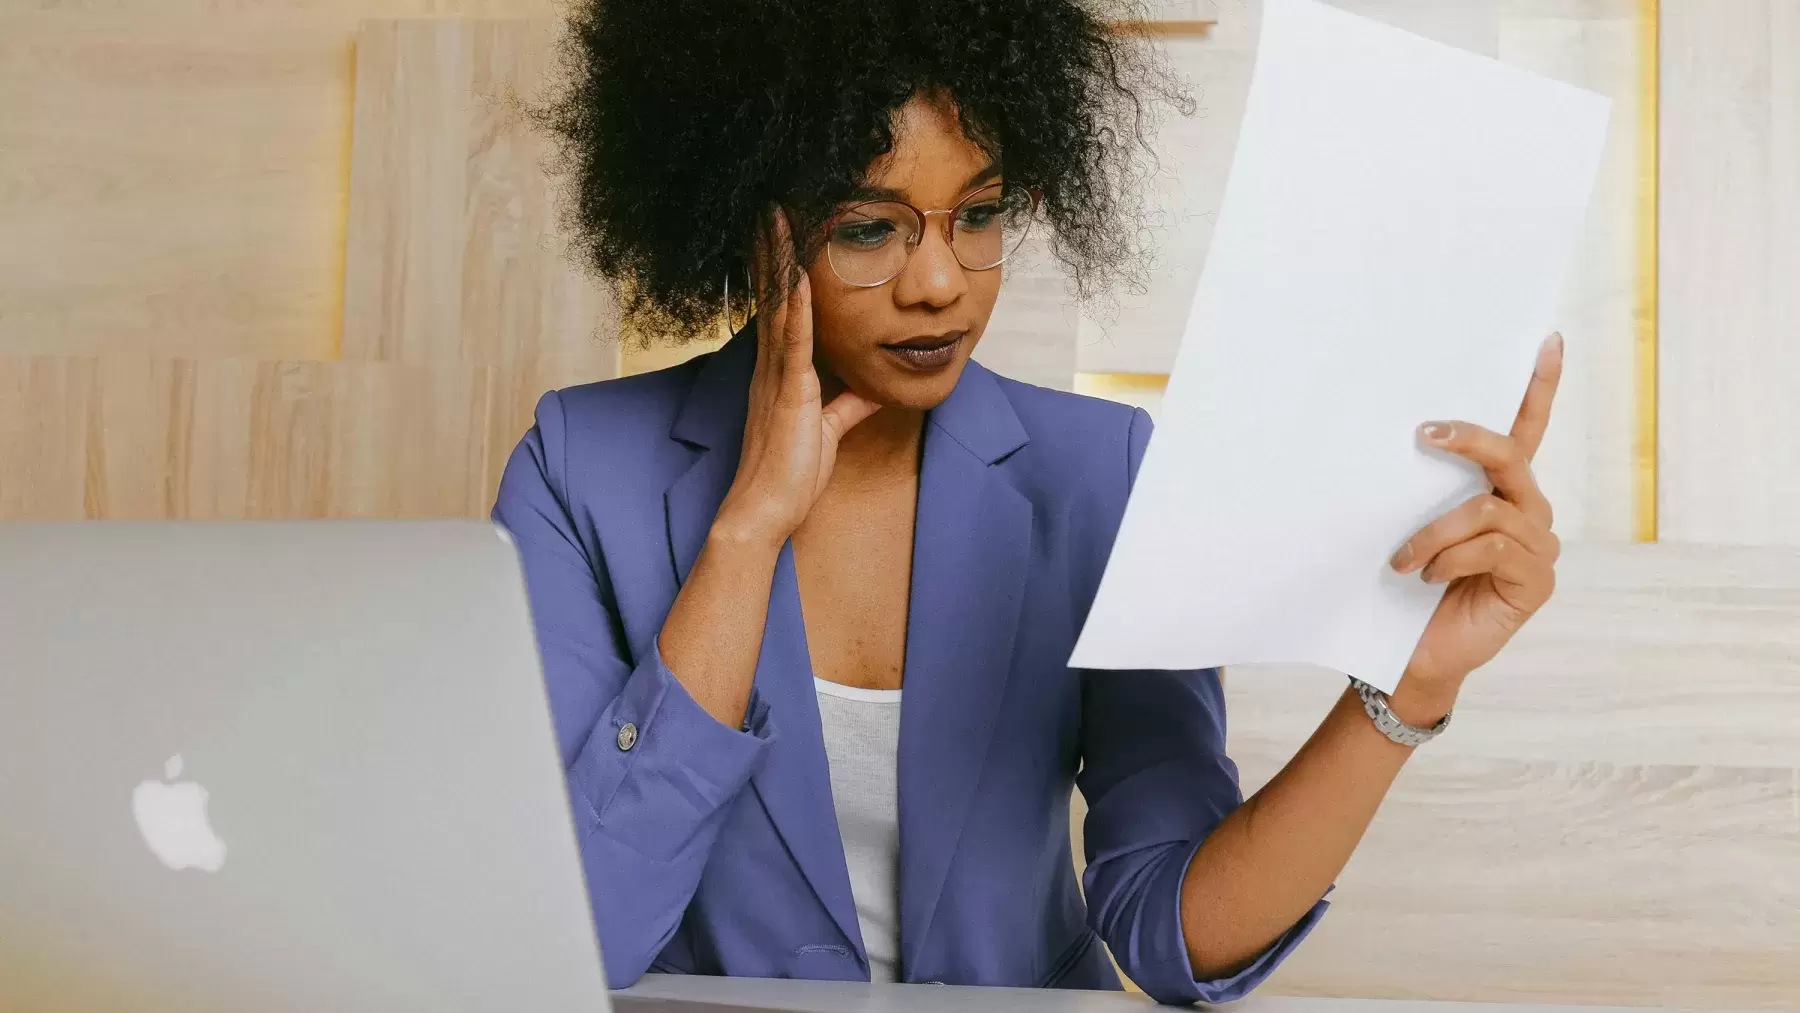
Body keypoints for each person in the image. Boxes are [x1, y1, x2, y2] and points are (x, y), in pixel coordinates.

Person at [492, 0, 1563, 1004]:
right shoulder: (580, 472)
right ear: (746, 217)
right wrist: (747, 529)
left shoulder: (1098, 471)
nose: (940, 281)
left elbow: (1172, 934)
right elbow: (581, 936)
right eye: (870, 228)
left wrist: (1408, 685)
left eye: (981, 213)